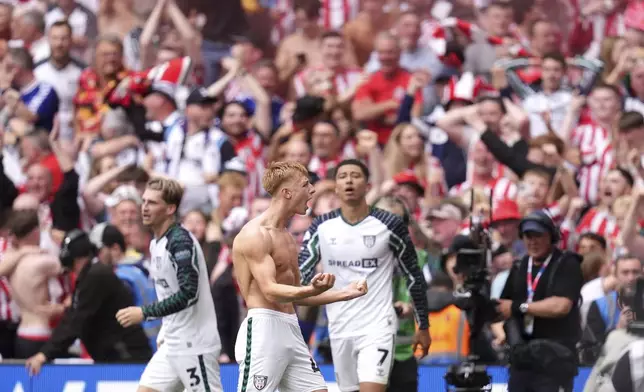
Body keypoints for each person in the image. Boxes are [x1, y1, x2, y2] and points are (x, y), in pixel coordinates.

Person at [232, 161, 368, 392]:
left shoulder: (285, 235)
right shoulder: (254, 234)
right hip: (264, 330)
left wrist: (345, 294)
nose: (312, 190)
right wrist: (310, 289)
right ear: (287, 193)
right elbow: (270, 290)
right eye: (306, 185)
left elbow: (295, 295)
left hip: (291, 327)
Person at [299, 159, 431, 392]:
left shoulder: (389, 224)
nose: (349, 180)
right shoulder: (321, 226)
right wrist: (314, 286)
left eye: (355, 175)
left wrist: (423, 325)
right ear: (335, 187)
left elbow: (413, 275)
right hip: (340, 327)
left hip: (378, 326)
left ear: (368, 186)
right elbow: (302, 278)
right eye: (343, 176)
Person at [115, 178, 223, 392]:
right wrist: (166, 330)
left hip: (195, 345)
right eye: (144, 202)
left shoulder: (180, 242)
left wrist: (145, 313)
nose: (144, 208)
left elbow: (188, 293)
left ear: (170, 208)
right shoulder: (157, 243)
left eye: (152, 203)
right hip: (172, 343)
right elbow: (168, 292)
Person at [25, 229, 152, 375]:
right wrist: (46, 352)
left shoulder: (95, 277)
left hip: (126, 358)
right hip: (119, 356)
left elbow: (76, 321)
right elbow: (72, 316)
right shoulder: (90, 276)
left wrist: (44, 354)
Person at [497, 210, 584, 392]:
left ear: (551, 237)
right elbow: (501, 307)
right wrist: (502, 332)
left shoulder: (567, 263)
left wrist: (520, 307)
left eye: (538, 236)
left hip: (554, 358)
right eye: (528, 236)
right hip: (522, 358)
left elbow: (561, 306)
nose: (532, 241)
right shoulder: (520, 265)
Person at [0, 209, 63, 358]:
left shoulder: (10, 259)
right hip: (40, 331)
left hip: (22, 332)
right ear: (35, 232)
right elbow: (74, 266)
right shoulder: (45, 261)